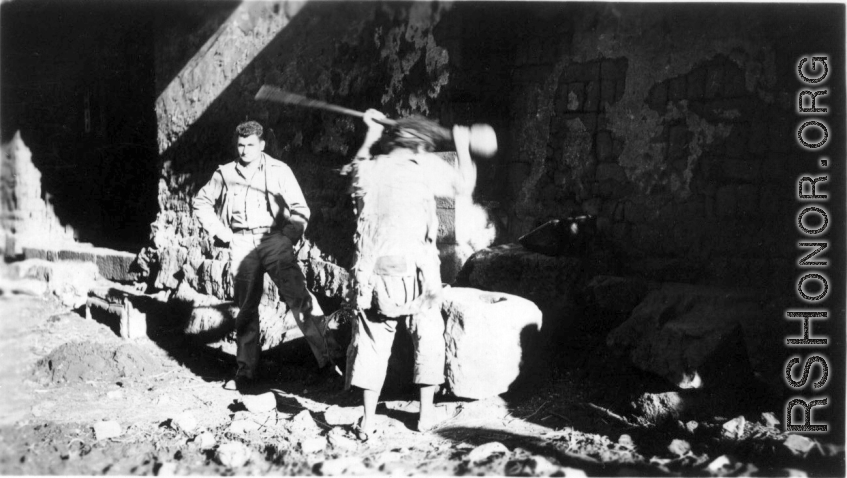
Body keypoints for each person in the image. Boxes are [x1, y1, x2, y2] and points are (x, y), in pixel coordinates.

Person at [342, 109, 477, 438]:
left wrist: (370, 135)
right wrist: (462, 146)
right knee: (428, 334)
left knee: (373, 339)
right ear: (421, 146)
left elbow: (353, 177)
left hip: (379, 269)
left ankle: (369, 419)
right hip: (420, 272)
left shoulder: (373, 167)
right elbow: (464, 185)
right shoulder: (426, 168)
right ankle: (425, 415)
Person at [193, 120, 334, 391]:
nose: (244, 150)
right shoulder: (225, 173)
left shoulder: (280, 171)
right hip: (241, 241)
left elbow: (300, 208)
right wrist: (223, 234)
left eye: (250, 145)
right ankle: (246, 372)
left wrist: (288, 236)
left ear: (262, 145)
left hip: (273, 240)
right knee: (246, 308)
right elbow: (201, 203)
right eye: (240, 145)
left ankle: (330, 362)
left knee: (299, 299)